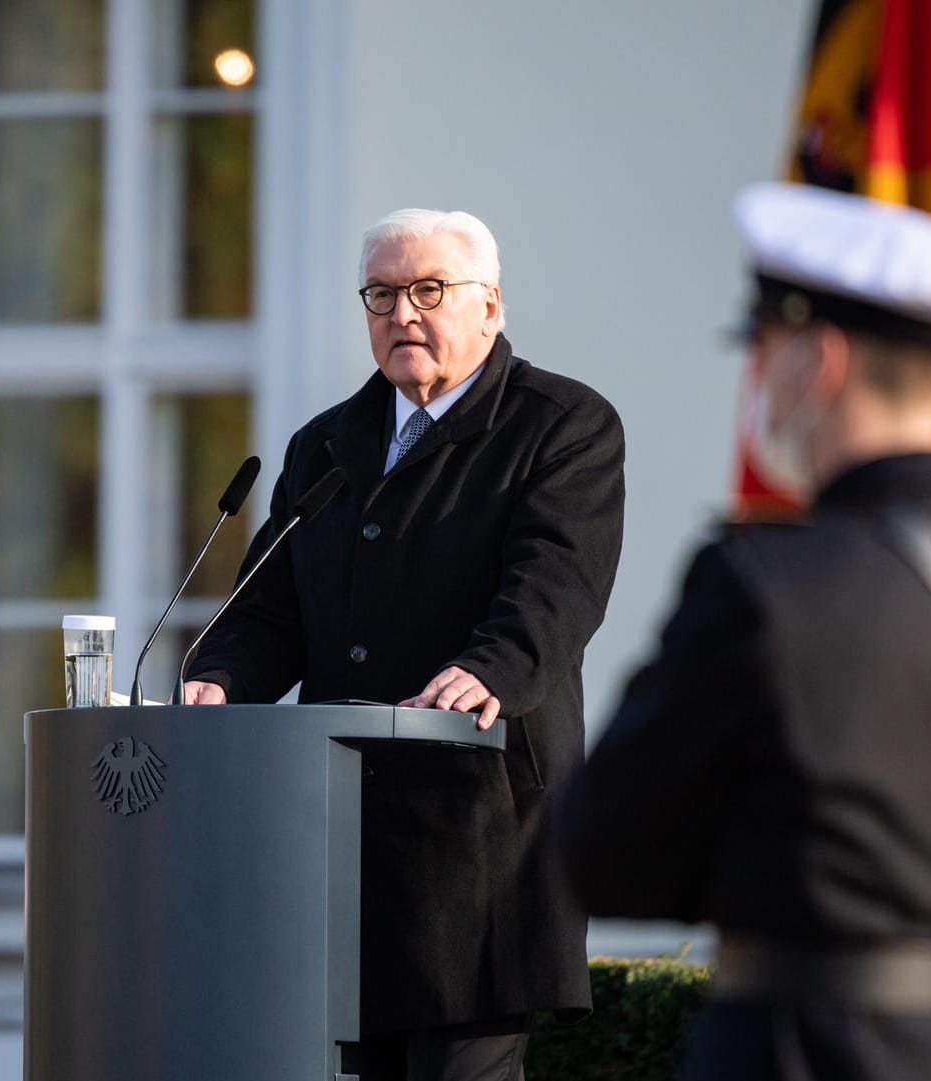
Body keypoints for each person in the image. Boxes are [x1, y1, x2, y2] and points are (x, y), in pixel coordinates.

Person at [550, 182, 931, 1081]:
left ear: (820, 360)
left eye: (762, 348)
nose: (756, 380)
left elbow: (605, 853)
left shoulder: (760, 589)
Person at [182, 208, 625, 1080]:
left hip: (481, 829)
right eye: (381, 295)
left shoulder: (560, 425)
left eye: (429, 290)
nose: (402, 314)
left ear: (489, 306)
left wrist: (486, 668)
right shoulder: (327, 444)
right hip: (340, 829)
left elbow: (556, 585)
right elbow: (272, 607)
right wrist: (219, 679)